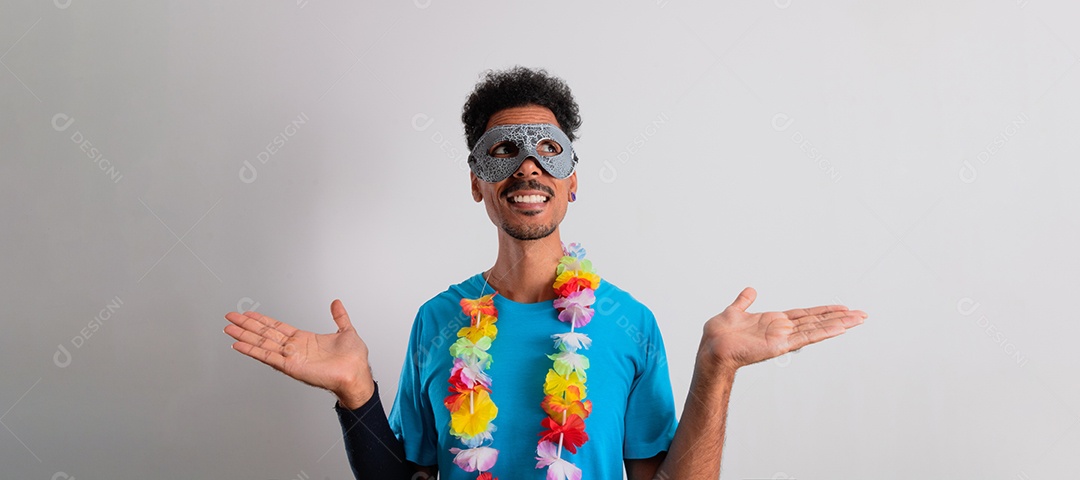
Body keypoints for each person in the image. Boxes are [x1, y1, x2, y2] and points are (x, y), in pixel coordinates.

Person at [223, 67, 868, 480]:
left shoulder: (629, 323)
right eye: (503, 151)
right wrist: (356, 393)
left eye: (549, 151)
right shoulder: (438, 321)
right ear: (477, 182)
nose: (527, 167)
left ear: (572, 181)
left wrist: (716, 369)